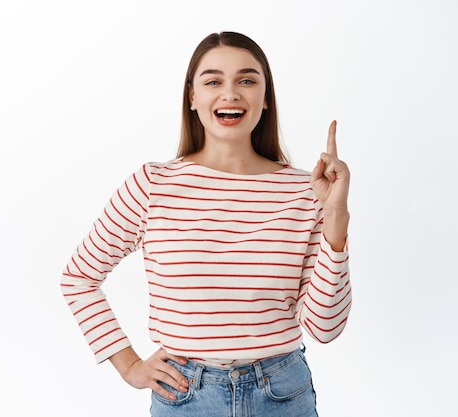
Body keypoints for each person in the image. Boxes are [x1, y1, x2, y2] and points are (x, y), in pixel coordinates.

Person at [60, 31, 352, 417]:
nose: (230, 93)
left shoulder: (305, 191)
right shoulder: (153, 184)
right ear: (192, 97)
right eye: (213, 81)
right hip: (185, 397)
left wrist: (335, 216)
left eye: (247, 80)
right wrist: (128, 364)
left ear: (265, 98)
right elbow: (78, 278)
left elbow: (325, 328)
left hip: (283, 394)